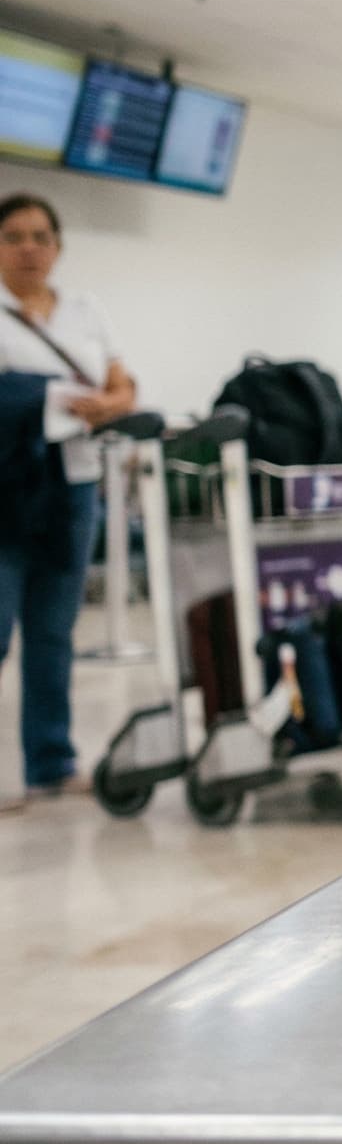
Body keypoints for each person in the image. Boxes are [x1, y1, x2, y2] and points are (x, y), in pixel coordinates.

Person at [0, 192, 135, 800]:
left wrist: (108, 404)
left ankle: (50, 763)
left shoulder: (85, 309)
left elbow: (120, 383)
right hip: (5, 490)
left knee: (54, 633)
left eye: (40, 236)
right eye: (14, 236)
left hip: (72, 488)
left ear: (57, 247)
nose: (29, 247)